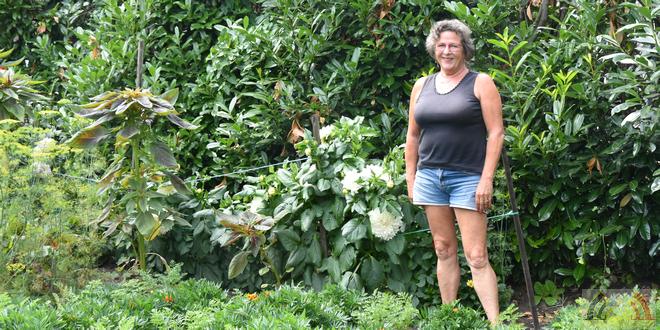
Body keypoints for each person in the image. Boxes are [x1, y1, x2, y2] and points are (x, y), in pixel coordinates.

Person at [405, 19, 504, 324]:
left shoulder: (480, 82)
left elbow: (496, 133)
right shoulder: (421, 86)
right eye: (442, 45)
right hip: (430, 177)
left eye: (454, 45)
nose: (447, 51)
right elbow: (412, 136)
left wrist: (486, 179)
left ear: (464, 50)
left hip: (468, 178)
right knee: (443, 249)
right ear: (434, 48)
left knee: (476, 255)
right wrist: (411, 178)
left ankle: (496, 323)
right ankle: (451, 319)